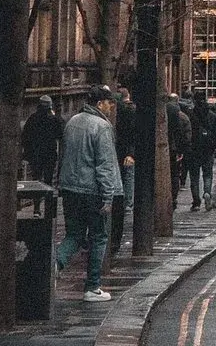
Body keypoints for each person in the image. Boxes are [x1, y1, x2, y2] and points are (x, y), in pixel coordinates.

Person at [55, 85, 123, 302]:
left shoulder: (72, 122)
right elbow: (105, 165)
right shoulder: (102, 126)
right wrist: (108, 196)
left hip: (70, 189)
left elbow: (63, 155)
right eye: (109, 103)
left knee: (74, 235)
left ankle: (54, 264)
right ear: (100, 104)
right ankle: (92, 287)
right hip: (93, 191)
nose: (112, 107)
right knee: (99, 237)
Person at [108, 85, 137, 256]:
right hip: (125, 152)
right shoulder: (130, 110)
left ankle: (128, 203)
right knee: (128, 177)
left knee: (126, 176)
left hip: (122, 152)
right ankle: (128, 203)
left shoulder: (122, 112)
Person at [186, 90, 216, 210]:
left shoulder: (190, 114)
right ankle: (207, 193)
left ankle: (196, 202)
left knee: (194, 177)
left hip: (193, 150)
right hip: (208, 149)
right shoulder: (211, 115)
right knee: (207, 174)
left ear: (194, 100)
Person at [22, 95, 63, 187]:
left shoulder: (32, 118)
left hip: (35, 154)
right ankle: (48, 195)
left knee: (36, 179)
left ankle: (36, 195)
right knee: (48, 180)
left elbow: (25, 136)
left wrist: (26, 153)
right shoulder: (54, 120)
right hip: (49, 154)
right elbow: (60, 135)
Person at [166, 93, 191, 209]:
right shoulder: (183, 116)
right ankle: (173, 198)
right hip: (175, 149)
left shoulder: (164, 113)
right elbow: (186, 135)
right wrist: (182, 149)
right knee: (175, 174)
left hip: (168, 148)